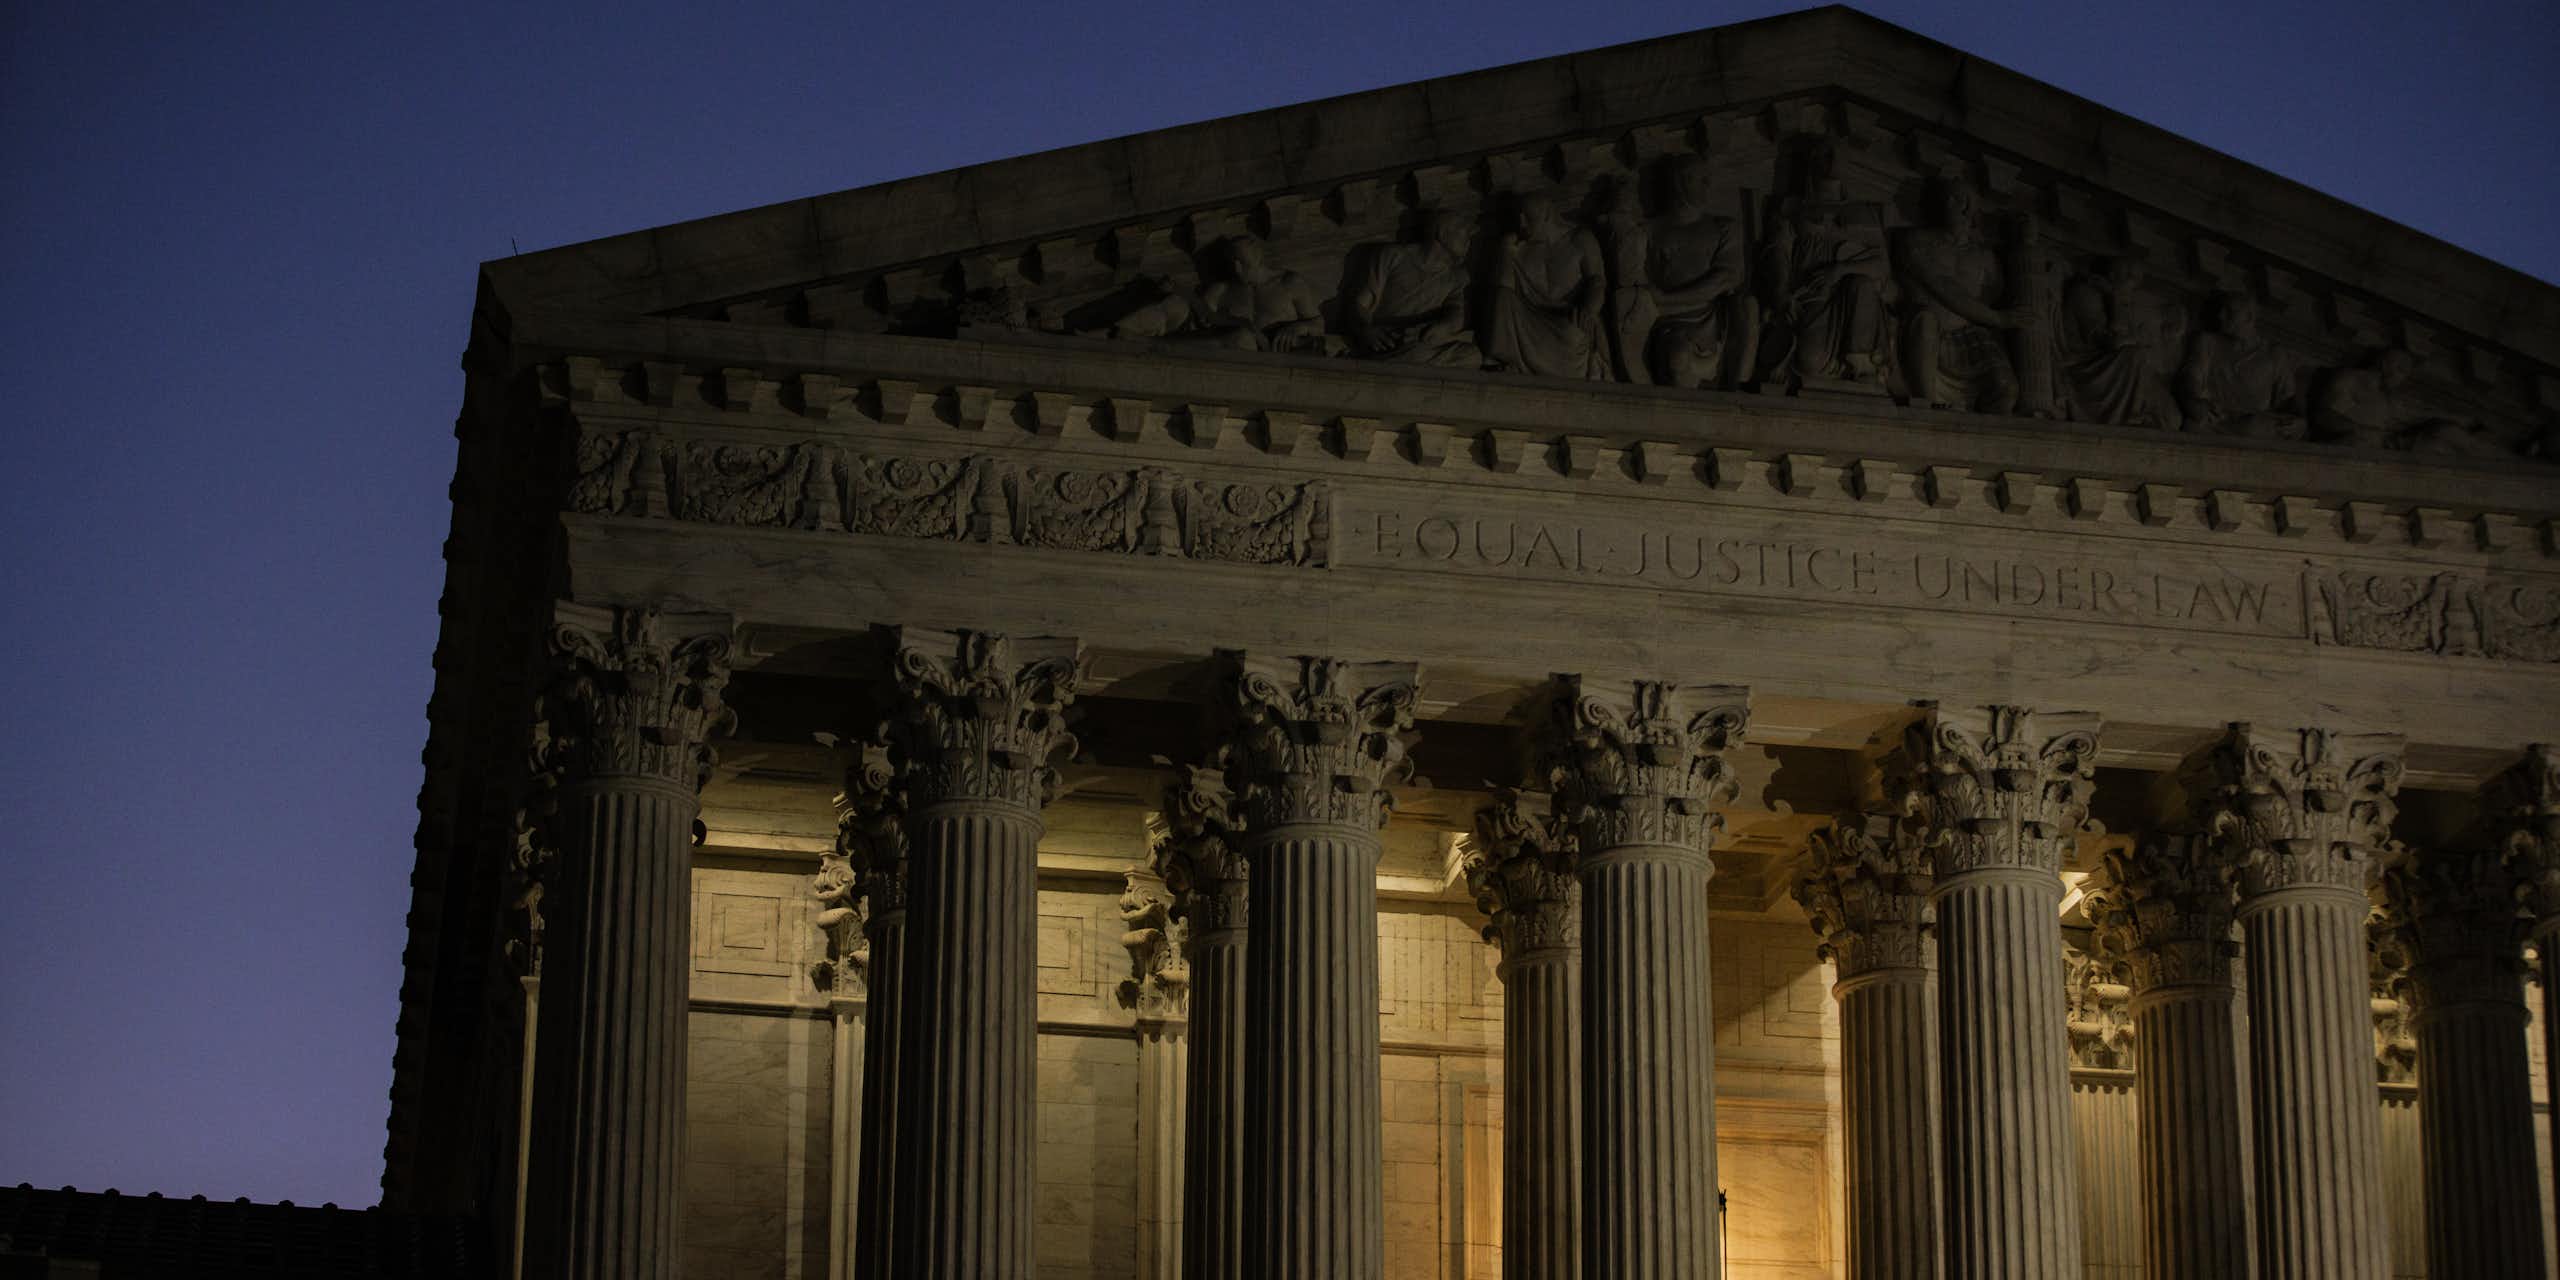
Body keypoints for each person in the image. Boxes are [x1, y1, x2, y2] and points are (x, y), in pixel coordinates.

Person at [1894, 178, 2024, 413]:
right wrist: (1998, 318)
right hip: (1927, 332)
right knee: (1925, 321)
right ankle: (1926, 405)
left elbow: (1996, 295)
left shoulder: (1985, 258)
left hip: (1970, 337)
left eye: (1966, 202)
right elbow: (1942, 286)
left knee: (2007, 388)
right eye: (1953, 199)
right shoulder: (1916, 241)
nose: (1961, 207)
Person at [1758, 177, 1886, 388]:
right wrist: (1781, 290)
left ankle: (1861, 364)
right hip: (1811, 296)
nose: (1831, 163)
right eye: (1825, 156)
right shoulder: (1791, 207)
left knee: (1862, 285)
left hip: (1858, 303)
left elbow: (1881, 264)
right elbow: (1778, 250)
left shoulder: (1863, 212)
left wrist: (1840, 269)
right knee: (1810, 361)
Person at [1483, 189, 1609, 379]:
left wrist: (1589, 309)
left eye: (1528, 218)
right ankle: (1504, 360)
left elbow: (1597, 281)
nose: (1522, 224)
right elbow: (1504, 291)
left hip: (1566, 319)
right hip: (1529, 318)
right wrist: (1505, 250)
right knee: (1503, 298)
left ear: (1547, 215)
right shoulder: (1519, 248)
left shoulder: (1580, 239)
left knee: (1574, 333)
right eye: (1519, 218)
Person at [2055, 256, 2181, 429]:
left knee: (2171, 416)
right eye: (2129, 278)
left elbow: (2126, 339)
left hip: (2115, 368)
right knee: (2136, 356)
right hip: (2084, 366)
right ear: (2113, 275)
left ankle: (2137, 413)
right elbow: (2112, 341)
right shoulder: (2084, 293)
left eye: (2135, 282)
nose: (2131, 287)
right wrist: (2115, 298)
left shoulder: (2118, 300)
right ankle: (2130, 416)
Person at [1345, 208, 1481, 367]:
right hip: (1387, 341)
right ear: (1443, 232)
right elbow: (1360, 304)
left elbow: (1457, 314)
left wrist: (1441, 328)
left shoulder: (1457, 278)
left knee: (1472, 355)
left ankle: (1388, 365)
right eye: (1464, 233)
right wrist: (1367, 330)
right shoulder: (1393, 255)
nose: (1468, 241)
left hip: (1420, 343)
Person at [2175, 291, 2305, 439]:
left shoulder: (2273, 353)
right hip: (2215, 418)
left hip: (2254, 423)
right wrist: (2193, 400)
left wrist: (2300, 420)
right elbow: (2191, 377)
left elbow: (2287, 398)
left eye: (2229, 312)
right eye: (2221, 310)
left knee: (2256, 426)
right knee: (2194, 422)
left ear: (2249, 317)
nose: (2221, 316)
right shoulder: (2207, 343)